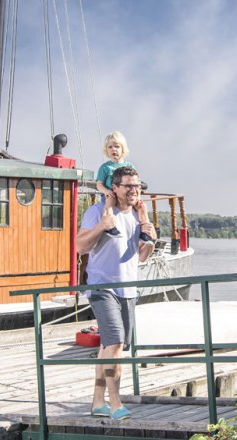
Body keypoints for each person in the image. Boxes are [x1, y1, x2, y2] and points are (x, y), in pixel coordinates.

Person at [77, 166, 156, 420]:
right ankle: (115, 403)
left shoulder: (137, 215)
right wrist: (102, 226)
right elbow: (80, 246)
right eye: (128, 186)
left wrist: (150, 243)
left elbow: (140, 257)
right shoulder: (97, 211)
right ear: (115, 188)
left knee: (108, 346)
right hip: (102, 286)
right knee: (115, 343)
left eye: (137, 185)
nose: (134, 190)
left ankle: (97, 402)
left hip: (128, 288)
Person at [96, 131, 152, 242]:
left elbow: (137, 183)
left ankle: (145, 231)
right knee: (109, 204)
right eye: (110, 147)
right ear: (106, 150)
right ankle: (110, 226)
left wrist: (138, 197)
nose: (114, 149)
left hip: (127, 194)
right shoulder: (105, 167)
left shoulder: (129, 165)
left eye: (117, 146)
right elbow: (99, 184)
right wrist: (106, 191)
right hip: (111, 193)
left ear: (123, 149)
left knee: (142, 207)